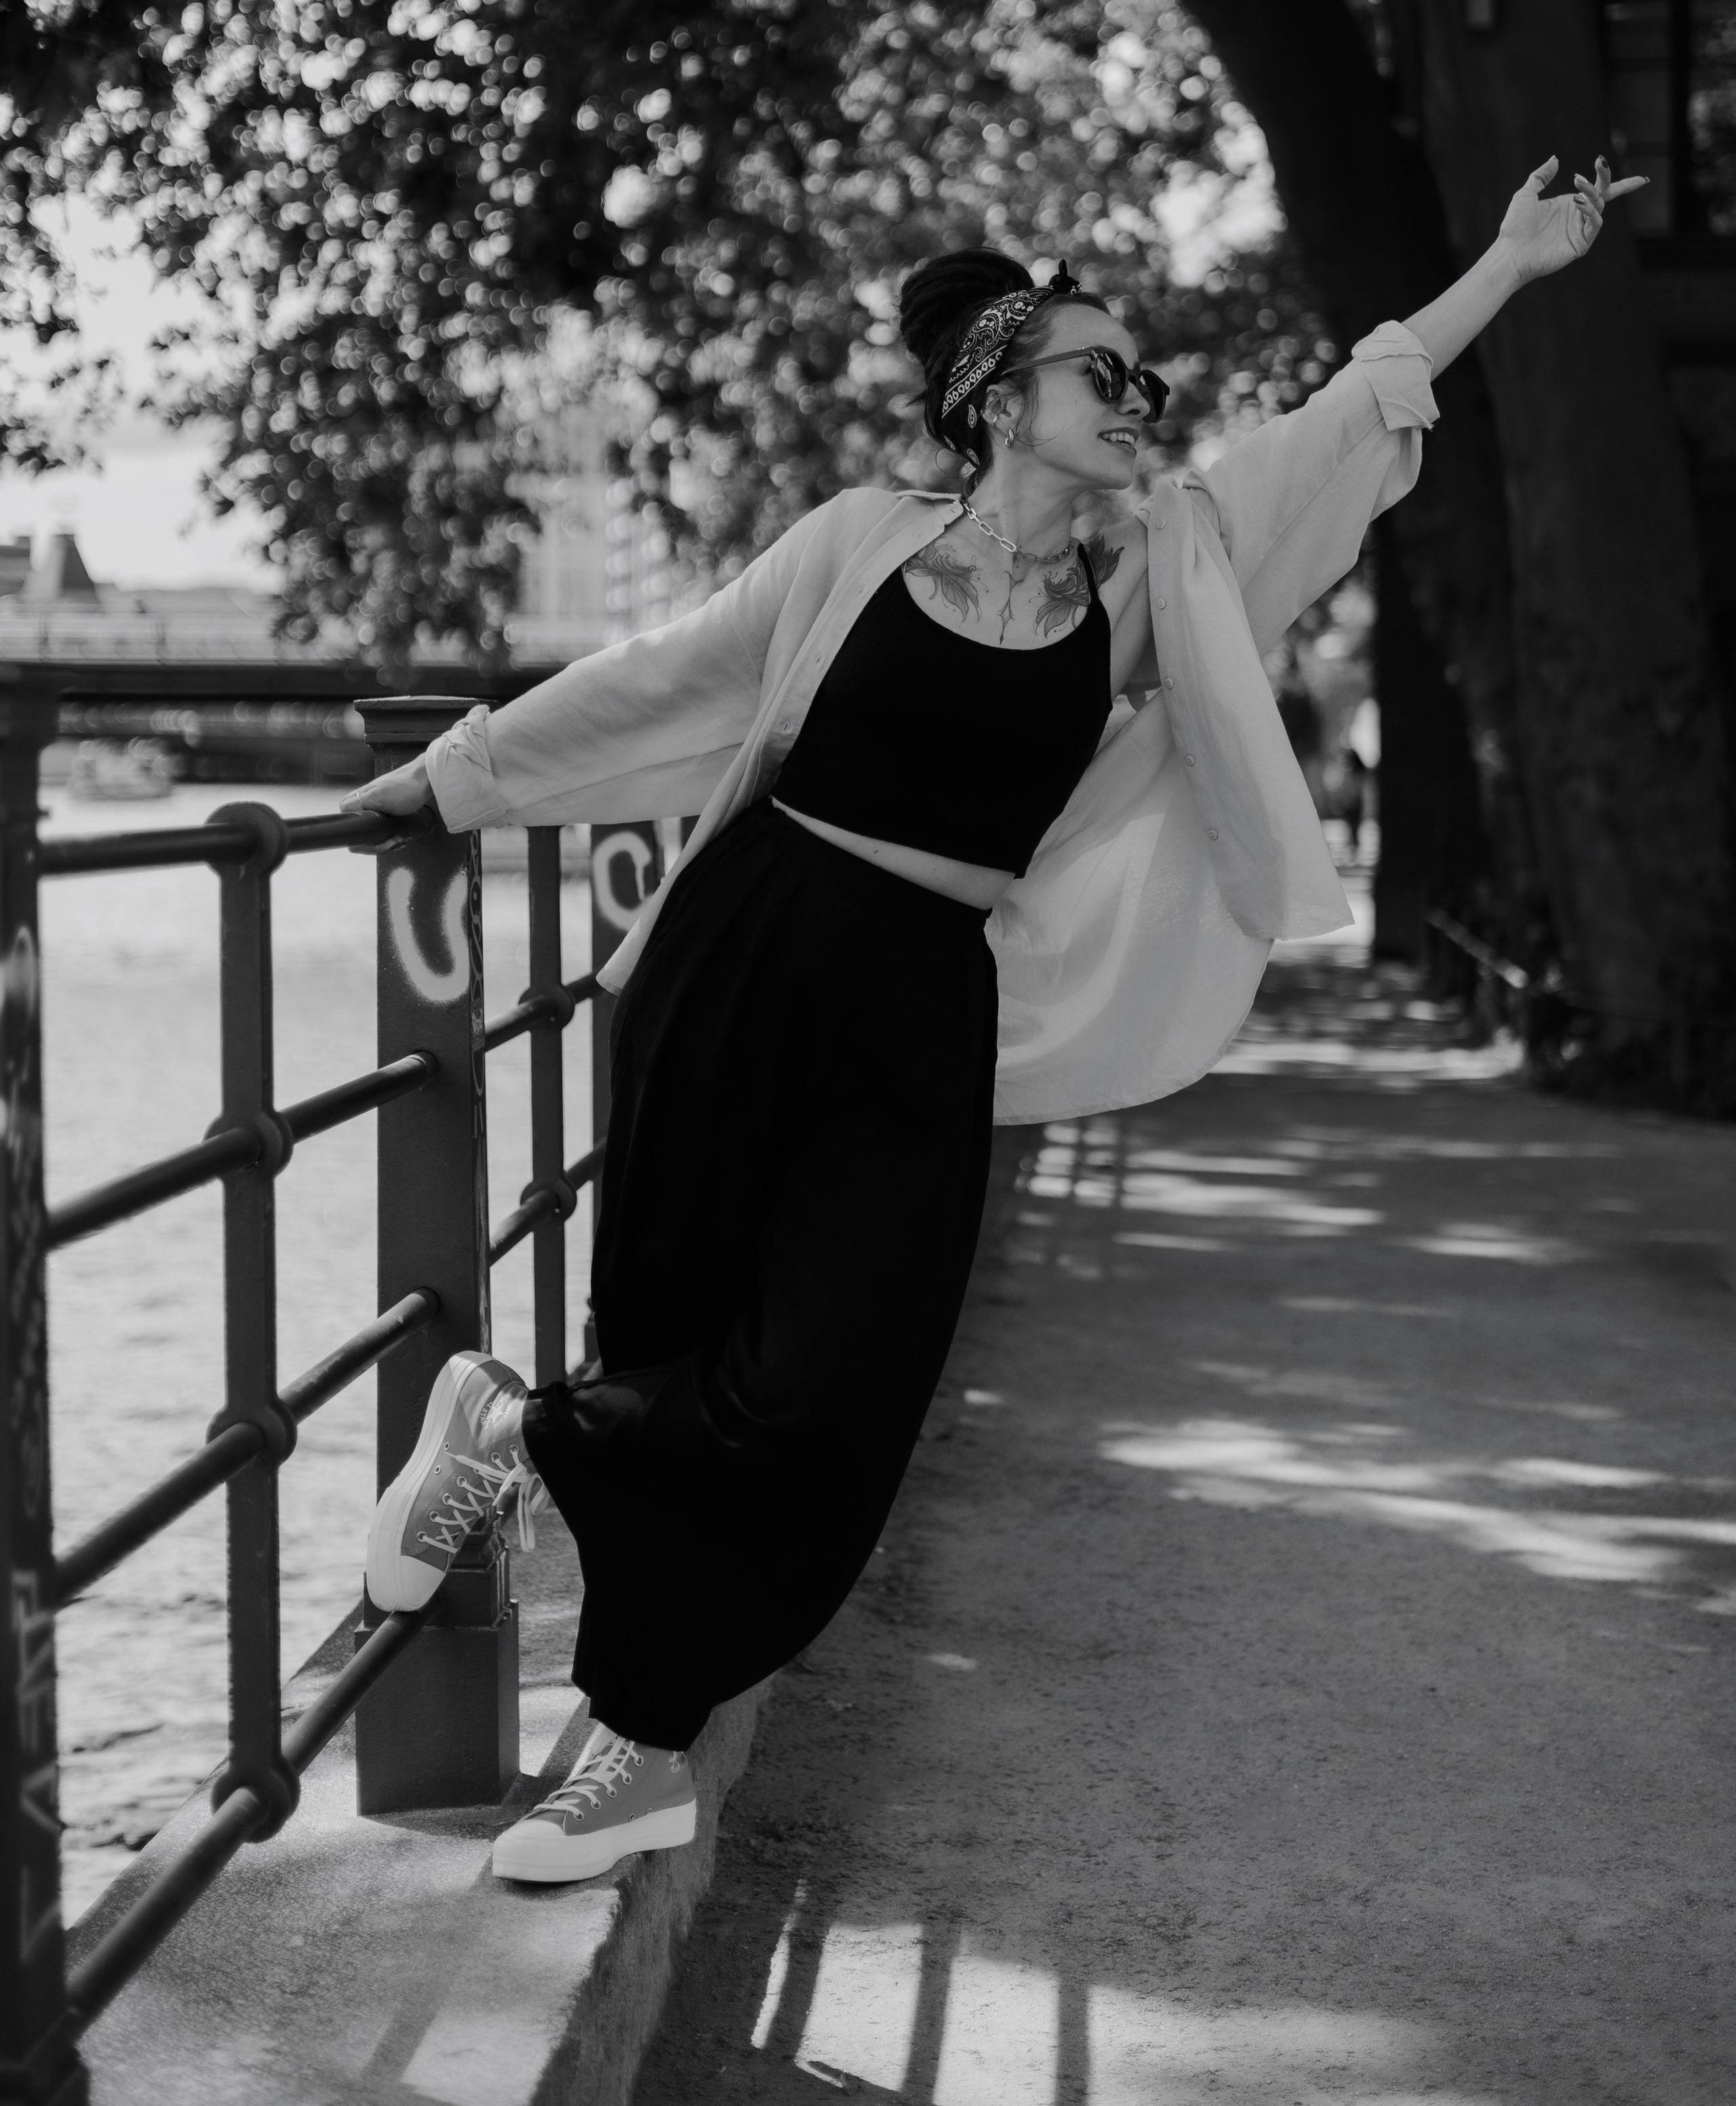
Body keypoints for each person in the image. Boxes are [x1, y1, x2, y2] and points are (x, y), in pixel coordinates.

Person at [347, 154, 1640, 1884]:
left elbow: (1344, 418)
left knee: (831, 1386)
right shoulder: (854, 544)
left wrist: (1509, 265)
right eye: (1101, 370)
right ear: (996, 396)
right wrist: (448, 780)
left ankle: (510, 1434)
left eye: (1141, 376)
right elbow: (666, 680)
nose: (1136, 397)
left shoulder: (1148, 578)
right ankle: (639, 1743)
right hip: (742, 954)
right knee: (669, 1325)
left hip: (920, 1001)